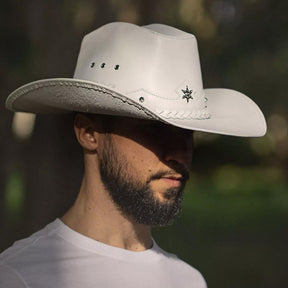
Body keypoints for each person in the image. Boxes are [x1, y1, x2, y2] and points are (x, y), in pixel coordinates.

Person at [0, 22, 266, 287]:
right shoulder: (20, 276)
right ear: (89, 133)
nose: (179, 153)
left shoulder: (188, 281)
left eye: (187, 132)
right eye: (154, 129)